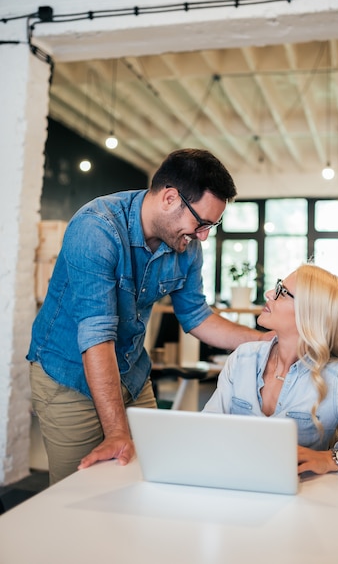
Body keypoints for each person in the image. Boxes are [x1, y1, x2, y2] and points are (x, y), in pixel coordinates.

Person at [27, 148, 272, 484]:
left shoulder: (187, 247)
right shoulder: (96, 228)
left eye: (212, 226)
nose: (203, 235)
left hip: (130, 373)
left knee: (150, 477)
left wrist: (266, 340)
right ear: (170, 198)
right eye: (201, 223)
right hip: (68, 374)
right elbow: (97, 336)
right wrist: (117, 432)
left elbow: (197, 316)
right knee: (78, 489)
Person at [203, 263, 338, 475]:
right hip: (232, 485)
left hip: (302, 501)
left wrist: (334, 458)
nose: (269, 294)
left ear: (310, 312)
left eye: (282, 292)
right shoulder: (242, 358)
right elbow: (205, 429)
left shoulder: (337, 380)